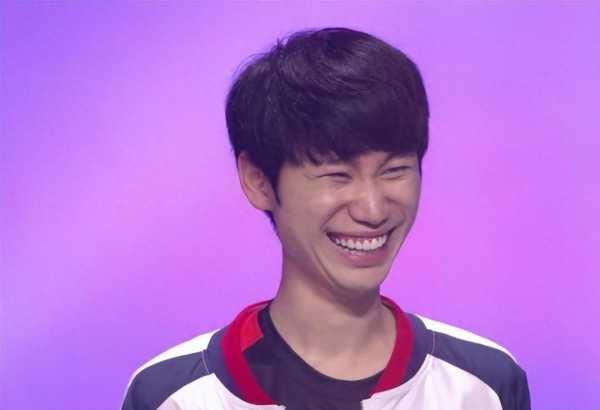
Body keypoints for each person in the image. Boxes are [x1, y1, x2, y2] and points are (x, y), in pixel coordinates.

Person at [122, 27, 531, 410]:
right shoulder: (176, 396)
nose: (372, 210)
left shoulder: (482, 385)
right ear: (258, 181)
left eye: (394, 170)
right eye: (337, 175)